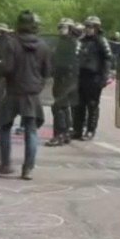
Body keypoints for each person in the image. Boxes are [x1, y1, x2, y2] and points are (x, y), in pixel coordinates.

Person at [0, 11, 51, 180]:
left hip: (14, 90)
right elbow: (47, 72)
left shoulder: (12, 43)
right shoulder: (43, 46)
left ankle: (5, 164)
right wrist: (37, 85)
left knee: (4, 127)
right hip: (32, 93)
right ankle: (28, 168)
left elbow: (7, 69)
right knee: (31, 131)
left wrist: (0, 66)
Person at [72, 15, 113, 141]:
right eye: (87, 26)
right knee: (79, 105)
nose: (88, 29)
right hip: (81, 75)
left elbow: (108, 59)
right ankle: (77, 129)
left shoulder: (101, 41)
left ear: (96, 28)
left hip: (94, 77)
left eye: (91, 26)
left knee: (92, 105)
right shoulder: (82, 40)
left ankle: (90, 130)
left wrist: (104, 77)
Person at [44, 18, 81, 146]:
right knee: (63, 106)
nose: (61, 30)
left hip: (69, 78)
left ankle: (59, 134)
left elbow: (72, 62)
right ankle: (65, 133)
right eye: (60, 27)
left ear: (70, 29)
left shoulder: (73, 43)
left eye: (63, 27)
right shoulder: (61, 42)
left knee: (58, 105)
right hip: (60, 78)